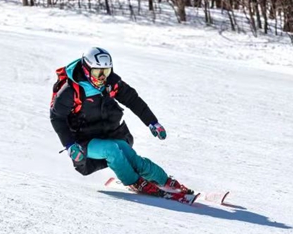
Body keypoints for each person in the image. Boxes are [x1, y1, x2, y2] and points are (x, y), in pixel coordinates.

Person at [49, 47, 191, 197]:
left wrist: (152, 122)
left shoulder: (111, 83)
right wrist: (70, 145)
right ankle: (134, 182)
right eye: (97, 73)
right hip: (82, 143)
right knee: (111, 150)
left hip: (105, 134)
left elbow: (132, 99)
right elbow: (56, 117)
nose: (102, 77)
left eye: (106, 72)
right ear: (86, 69)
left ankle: (163, 180)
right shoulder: (70, 91)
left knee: (130, 155)